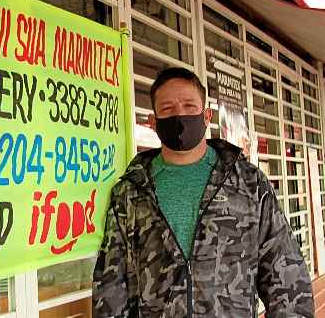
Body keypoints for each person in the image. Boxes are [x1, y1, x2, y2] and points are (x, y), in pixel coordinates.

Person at [92, 67, 314, 317]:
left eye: (189, 106)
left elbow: (286, 278)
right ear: (153, 122)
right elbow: (111, 286)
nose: (179, 115)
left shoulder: (249, 183)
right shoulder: (130, 192)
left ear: (206, 116)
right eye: (167, 109)